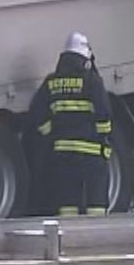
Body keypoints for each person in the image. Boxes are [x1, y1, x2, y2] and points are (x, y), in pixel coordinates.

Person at [28, 32, 115, 215]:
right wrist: (103, 137)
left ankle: (68, 239)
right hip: (91, 154)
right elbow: (104, 113)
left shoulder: (51, 82)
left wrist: (50, 131)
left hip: (63, 153)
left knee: (67, 205)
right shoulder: (92, 80)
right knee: (96, 205)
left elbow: (37, 110)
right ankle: (95, 238)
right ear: (84, 57)